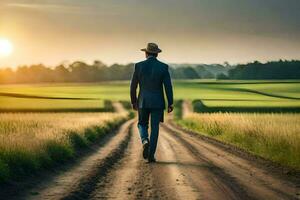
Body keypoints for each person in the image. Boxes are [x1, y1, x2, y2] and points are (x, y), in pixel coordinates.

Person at [130, 42, 174, 163]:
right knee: (155, 128)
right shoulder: (163, 67)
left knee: (142, 124)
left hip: (143, 101)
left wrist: (134, 101)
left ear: (146, 53)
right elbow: (168, 86)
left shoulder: (138, 66)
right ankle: (151, 156)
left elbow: (133, 86)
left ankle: (144, 140)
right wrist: (170, 102)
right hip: (158, 102)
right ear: (157, 54)